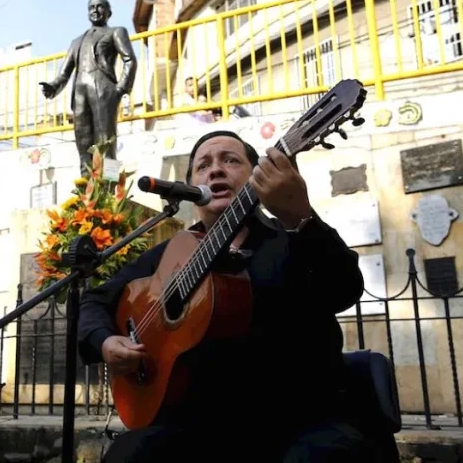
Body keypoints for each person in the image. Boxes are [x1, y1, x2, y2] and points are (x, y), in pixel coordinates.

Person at [77, 130, 371, 461]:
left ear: (257, 175)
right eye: (203, 165)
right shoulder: (170, 254)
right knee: (127, 455)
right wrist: (105, 342)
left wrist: (299, 216)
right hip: (198, 424)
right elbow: (95, 300)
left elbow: (344, 288)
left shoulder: (292, 235)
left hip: (301, 421)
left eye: (230, 160)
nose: (215, 170)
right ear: (190, 187)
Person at [40, 0, 137, 175]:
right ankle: (85, 190)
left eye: (100, 6)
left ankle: (110, 188)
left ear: (109, 12)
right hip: (80, 93)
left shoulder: (116, 32)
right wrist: (53, 87)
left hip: (104, 89)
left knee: (106, 142)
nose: (95, 10)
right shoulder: (76, 41)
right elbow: (64, 73)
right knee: (83, 142)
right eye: (91, 7)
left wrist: (120, 89)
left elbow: (130, 60)